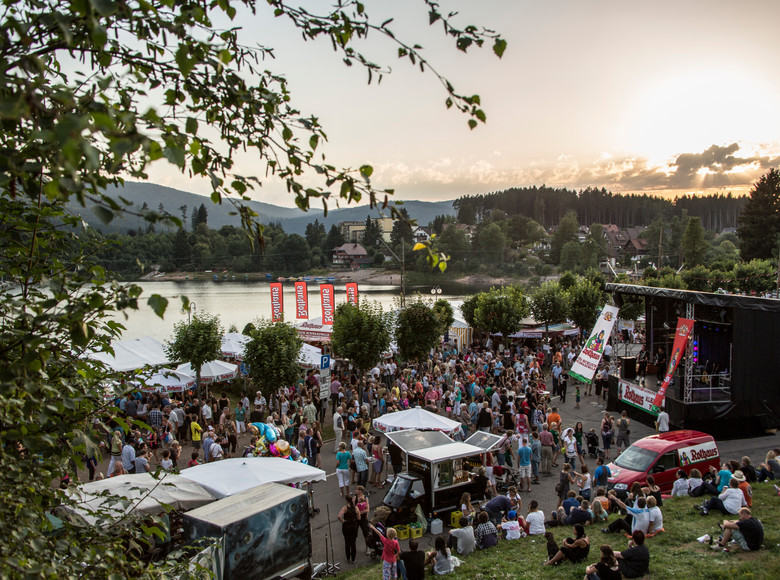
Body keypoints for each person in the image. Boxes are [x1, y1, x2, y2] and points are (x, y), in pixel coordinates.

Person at [338, 495, 360, 564]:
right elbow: (359, 517)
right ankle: (353, 559)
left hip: (346, 526)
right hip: (354, 526)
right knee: (353, 543)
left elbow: (339, 516)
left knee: (347, 542)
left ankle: (348, 558)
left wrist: (342, 520)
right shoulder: (356, 508)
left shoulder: (345, 508)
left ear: (347, 500)